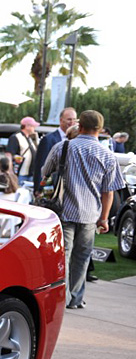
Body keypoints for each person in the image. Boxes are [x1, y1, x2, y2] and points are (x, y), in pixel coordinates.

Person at [41, 110, 125, 309]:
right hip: (90, 215)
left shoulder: (63, 147)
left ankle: (63, 298)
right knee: (82, 257)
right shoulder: (108, 155)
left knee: (64, 255)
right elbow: (109, 192)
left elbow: (45, 172)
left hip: (64, 211)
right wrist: (104, 218)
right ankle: (76, 299)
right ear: (100, 130)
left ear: (80, 127)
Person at [31, 107, 76, 183]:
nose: (72, 122)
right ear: (61, 120)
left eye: (74, 119)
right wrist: (39, 188)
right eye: (69, 119)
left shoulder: (76, 140)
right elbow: (40, 165)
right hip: (51, 186)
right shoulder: (48, 139)